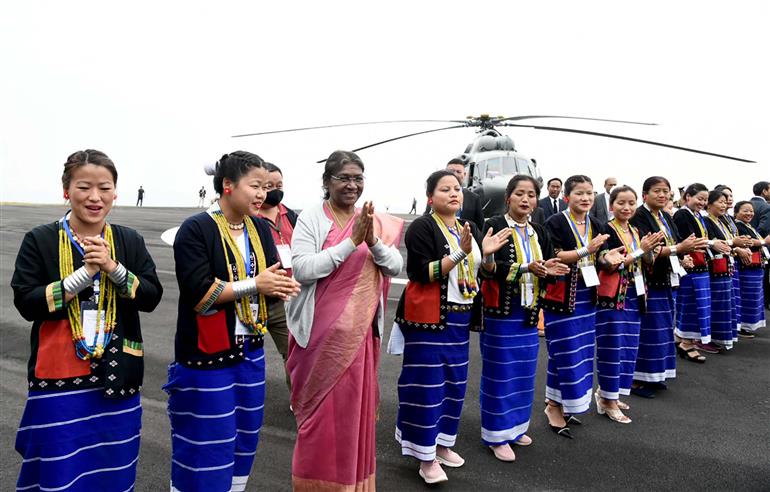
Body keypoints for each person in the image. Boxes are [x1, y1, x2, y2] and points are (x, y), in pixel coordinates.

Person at [11, 149, 163, 492]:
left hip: (118, 377)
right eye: (84, 187)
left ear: (115, 193)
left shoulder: (128, 240)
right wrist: (83, 276)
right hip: (58, 378)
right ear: (66, 190)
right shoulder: (42, 239)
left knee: (113, 467)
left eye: (104, 188)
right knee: (59, 468)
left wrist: (113, 268)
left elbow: (151, 298)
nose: (95, 197)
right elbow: (26, 302)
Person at [165, 151, 300, 492]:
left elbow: (270, 275)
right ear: (227, 185)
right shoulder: (197, 228)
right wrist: (256, 284)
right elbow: (200, 295)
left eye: (265, 187)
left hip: (250, 353)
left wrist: (282, 286)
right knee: (205, 441)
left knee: (243, 436)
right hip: (207, 356)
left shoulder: (257, 227)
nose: (262, 194)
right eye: (255, 185)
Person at [286, 150, 403, 491]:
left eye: (358, 178)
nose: (352, 185)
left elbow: (394, 266)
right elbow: (304, 269)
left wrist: (371, 240)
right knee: (319, 421)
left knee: (353, 416)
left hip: (359, 341)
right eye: (344, 178)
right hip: (319, 341)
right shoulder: (312, 218)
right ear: (327, 183)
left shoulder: (374, 220)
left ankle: (352, 483)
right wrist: (351, 243)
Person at [393, 169, 508, 484]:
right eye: (445, 189)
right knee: (426, 386)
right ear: (430, 197)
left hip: (460, 317)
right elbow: (420, 273)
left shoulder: (465, 228)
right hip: (429, 321)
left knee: (454, 386)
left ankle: (442, 443)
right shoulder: (422, 226)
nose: (454, 193)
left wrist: (484, 257)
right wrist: (462, 252)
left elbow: (480, 274)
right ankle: (424, 455)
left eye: (457, 188)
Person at [479, 175, 569, 461]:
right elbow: (488, 269)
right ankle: (496, 433)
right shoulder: (494, 224)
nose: (526, 199)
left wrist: (548, 269)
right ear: (508, 197)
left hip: (529, 312)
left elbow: (543, 266)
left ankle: (515, 427)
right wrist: (526, 268)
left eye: (531, 194)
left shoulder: (539, 231)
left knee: (524, 374)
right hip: (501, 313)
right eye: (520, 193)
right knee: (500, 374)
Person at [540, 175, 623, 438]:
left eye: (589, 193)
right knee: (562, 352)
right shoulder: (555, 222)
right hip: (561, 298)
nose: (585, 198)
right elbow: (553, 255)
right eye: (579, 193)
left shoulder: (596, 223)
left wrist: (608, 258)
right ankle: (553, 406)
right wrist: (587, 250)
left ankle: (562, 403)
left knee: (580, 353)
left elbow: (601, 256)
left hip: (588, 298)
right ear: (567, 197)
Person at [630, 177, 705, 397]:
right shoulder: (639, 216)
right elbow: (645, 250)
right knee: (647, 331)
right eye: (657, 191)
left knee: (663, 330)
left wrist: (682, 258)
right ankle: (637, 379)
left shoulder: (664, 216)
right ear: (644, 194)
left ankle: (655, 375)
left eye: (666, 192)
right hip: (647, 280)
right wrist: (678, 249)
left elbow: (675, 244)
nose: (663, 196)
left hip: (667, 279)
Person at [594, 186, 663, 423]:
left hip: (635, 295)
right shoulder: (605, 230)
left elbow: (647, 261)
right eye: (621, 203)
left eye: (631, 203)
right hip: (613, 298)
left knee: (628, 347)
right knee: (612, 348)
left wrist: (649, 251)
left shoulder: (636, 229)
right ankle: (608, 399)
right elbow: (607, 264)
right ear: (611, 205)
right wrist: (640, 251)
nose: (627, 207)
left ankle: (611, 394)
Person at [255, 162, 298, 392]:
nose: (275, 190)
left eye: (279, 185)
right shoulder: (250, 216)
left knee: (292, 350)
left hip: (286, 295)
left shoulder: (290, 215)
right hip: (255, 295)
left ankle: (298, 397)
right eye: (269, 185)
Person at [672, 183, 726, 355]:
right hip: (691, 266)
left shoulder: (697, 215)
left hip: (701, 265)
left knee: (696, 304)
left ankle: (682, 338)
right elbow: (688, 241)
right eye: (699, 199)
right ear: (688, 197)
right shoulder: (682, 214)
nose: (702, 203)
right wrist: (712, 243)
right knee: (691, 304)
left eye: (705, 199)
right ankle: (687, 343)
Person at [703, 190, 749, 350]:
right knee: (716, 304)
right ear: (709, 204)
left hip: (726, 266)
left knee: (725, 303)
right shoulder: (705, 221)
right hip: (715, 268)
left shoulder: (721, 221)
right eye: (720, 202)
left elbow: (728, 243)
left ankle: (720, 337)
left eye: (725, 202)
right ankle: (710, 338)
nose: (724, 205)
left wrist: (737, 248)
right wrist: (734, 244)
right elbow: (715, 243)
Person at [734, 200, 769, 335]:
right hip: (747, 267)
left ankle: (748, 325)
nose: (749, 213)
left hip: (755, 267)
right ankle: (743, 325)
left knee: (754, 297)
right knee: (746, 297)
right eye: (745, 211)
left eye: (751, 211)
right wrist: (763, 242)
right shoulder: (738, 226)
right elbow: (748, 242)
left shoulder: (749, 226)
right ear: (736, 213)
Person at [424, 158, 485, 231]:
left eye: (458, 172)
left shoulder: (474, 198)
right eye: (450, 171)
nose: (454, 174)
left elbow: (480, 226)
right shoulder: (435, 196)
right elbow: (427, 215)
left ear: (464, 174)